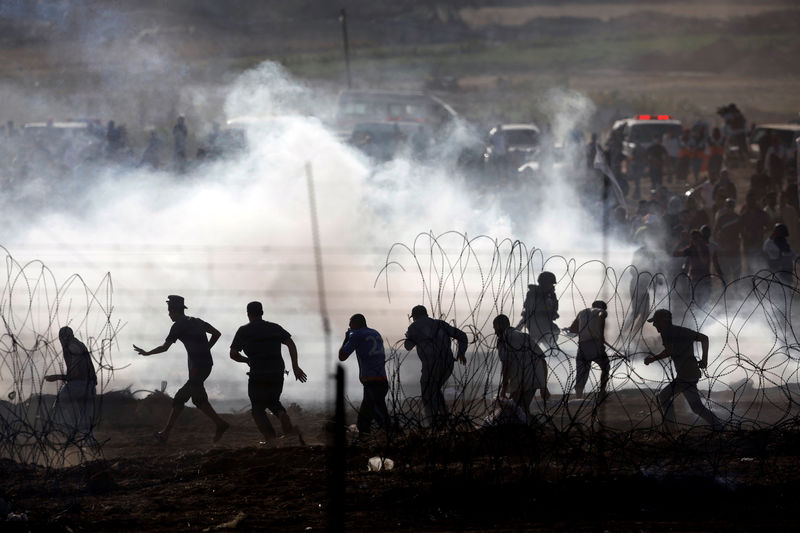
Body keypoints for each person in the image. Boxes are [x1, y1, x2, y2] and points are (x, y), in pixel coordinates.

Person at [133, 295, 230, 444]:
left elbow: (164, 348)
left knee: (180, 398)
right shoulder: (197, 321)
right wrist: (206, 349)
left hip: (198, 367)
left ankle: (166, 434)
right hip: (205, 365)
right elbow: (217, 333)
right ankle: (220, 424)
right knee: (198, 400)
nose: (168, 314)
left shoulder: (178, 325)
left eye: (169, 311)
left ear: (173, 311)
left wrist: (147, 353)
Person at [229, 301, 307, 445]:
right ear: (262, 313)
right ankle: (282, 415)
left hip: (257, 372)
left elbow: (233, 354)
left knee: (257, 409)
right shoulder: (274, 327)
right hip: (277, 372)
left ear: (248, 314)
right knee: (273, 401)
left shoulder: (243, 331)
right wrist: (295, 366)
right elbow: (290, 343)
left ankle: (271, 438)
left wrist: (246, 360)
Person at [644, 309, 723, 431]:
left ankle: (672, 429)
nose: (654, 325)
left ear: (664, 322)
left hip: (687, 374)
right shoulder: (669, 333)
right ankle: (718, 426)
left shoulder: (676, 332)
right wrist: (703, 360)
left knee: (664, 396)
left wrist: (705, 360)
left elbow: (703, 338)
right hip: (687, 373)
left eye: (656, 322)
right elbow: (702, 339)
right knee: (696, 406)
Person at [404, 305, 468, 429]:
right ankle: (444, 420)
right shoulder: (440, 324)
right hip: (447, 364)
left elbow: (407, 346)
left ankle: (433, 423)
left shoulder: (414, 327)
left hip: (431, 366)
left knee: (427, 393)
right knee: (435, 390)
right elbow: (462, 336)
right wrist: (461, 353)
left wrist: (409, 335)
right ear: (426, 314)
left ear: (415, 316)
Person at [339, 313, 390, 437]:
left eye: (350, 324)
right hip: (382, 379)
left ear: (356, 323)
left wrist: (346, 338)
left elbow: (342, 356)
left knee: (373, 416)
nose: (349, 327)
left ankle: (392, 436)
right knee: (374, 413)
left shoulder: (356, 335)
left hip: (371, 381)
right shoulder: (375, 333)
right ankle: (367, 437)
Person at [44, 327, 98, 444]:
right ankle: (89, 443)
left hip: (78, 385)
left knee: (59, 405)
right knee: (85, 415)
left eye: (61, 338)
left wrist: (57, 377)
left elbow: (75, 373)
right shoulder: (80, 344)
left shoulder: (70, 346)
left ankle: (69, 432)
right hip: (90, 385)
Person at [493, 314, 549, 418]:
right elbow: (542, 361)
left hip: (521, 381)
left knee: (517, 412)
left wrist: (503, 389)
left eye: (495, 328)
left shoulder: (503, 339)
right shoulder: (524, 336)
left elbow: (507, 365)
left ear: (499, 327)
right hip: (533, 379)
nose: (495, 332)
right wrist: (544, 386)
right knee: (520, 410)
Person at [567, 301, 610, 401]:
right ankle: (602, 393)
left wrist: (583, 329)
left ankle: (578, 396)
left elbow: (572, 329)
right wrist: (601, 337)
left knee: (581, 372)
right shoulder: (601, 311)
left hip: (582, 346)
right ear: (602, 307)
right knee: (605, 366)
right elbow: (602, 315)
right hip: (594, 344)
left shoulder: (582, 312)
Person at [518, 271, 560, 352]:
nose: (552, 286)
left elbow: (554, 309)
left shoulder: (551, 295)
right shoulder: (533, 294)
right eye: (551, 283)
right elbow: (528, 311)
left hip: (545, 326)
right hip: (536, 327)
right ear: (545, 283)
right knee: (550, 350)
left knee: (552, 348)